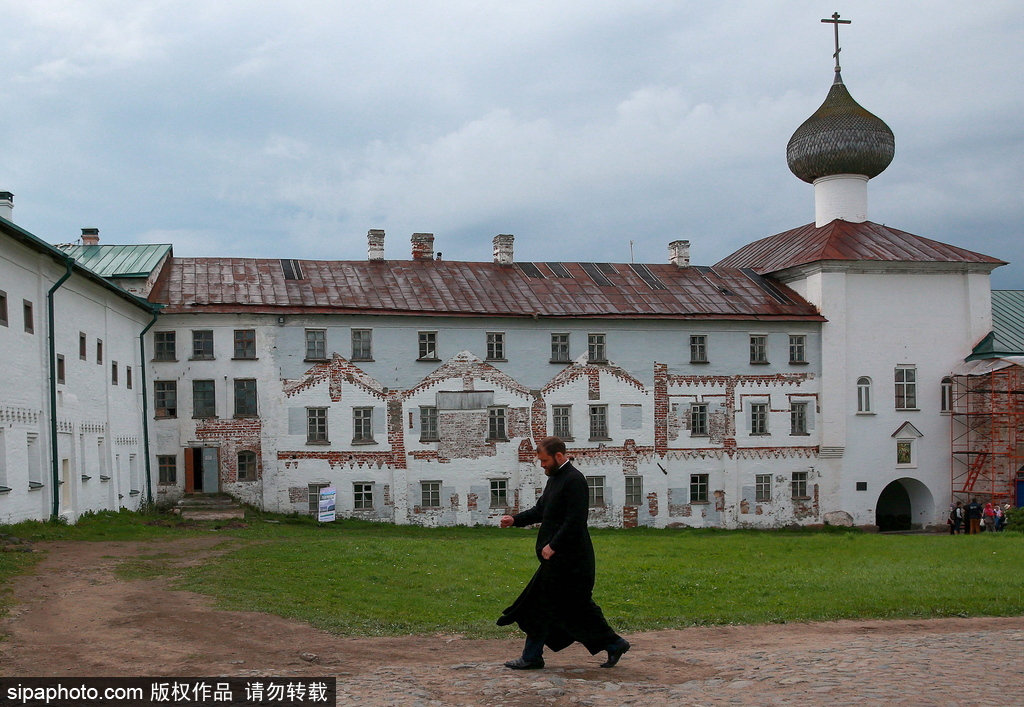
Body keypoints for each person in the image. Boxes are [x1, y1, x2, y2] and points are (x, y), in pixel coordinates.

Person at [496, 436, 630, 670]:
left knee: (561, 606)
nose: (542, 465)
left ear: (559, 456)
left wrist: (554, 544)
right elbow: (541, 510)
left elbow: (575, 520)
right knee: (555, 607)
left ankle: (533, 656)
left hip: (572, 560)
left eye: (545, 460)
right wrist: (515, 520)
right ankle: (612, 644)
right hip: (558, 559)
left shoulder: (574, 480)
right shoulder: (556, 478)